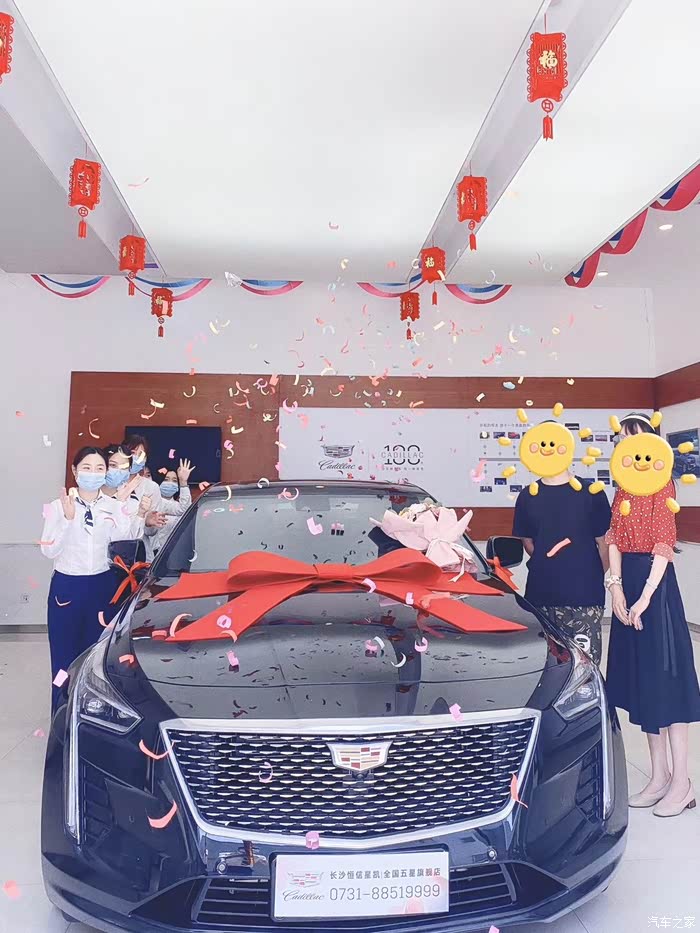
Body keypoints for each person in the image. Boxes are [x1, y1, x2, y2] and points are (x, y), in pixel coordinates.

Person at [606, 412, 700, 817]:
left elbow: (664, 543)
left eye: (638, 437)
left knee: (666, 680)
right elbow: (613, 537)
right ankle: (659, 776)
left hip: (656, 588)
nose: (632, 447)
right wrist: (615, 588)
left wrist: (644, 597)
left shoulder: (663, 485)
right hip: (627, 581)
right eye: (624, 440)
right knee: (643, 682)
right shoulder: (622, 488)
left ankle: (682, 782)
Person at [40, 447, 148, 708]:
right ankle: (61, 713)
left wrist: (137, 513)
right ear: (75, 471)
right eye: (86, 468)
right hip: (67, 587)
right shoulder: (56, 506)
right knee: (64, 657)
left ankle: (92, 713)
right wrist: (67, 520)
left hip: (102, 586)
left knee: (96, 655)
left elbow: (125, 539)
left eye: (100, 468)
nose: (93, 473)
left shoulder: (113, 505)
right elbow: (48, 550)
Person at [512, 441, 611, 664]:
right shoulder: (528, 496)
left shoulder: (592, 493)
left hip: (584, 599)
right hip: (540, 596)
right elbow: (528, 542)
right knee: (544, 666)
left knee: (584, 666)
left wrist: (591, 574)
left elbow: (604, 543)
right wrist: (550, 566)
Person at [150, 459, 195, 556]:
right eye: (166, 479)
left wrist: (183, 482)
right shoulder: (150, 501)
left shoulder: (176, 506)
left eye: (174, 481)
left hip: (170, 556)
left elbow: (185, 509)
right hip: (149, 555)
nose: (170, 483)